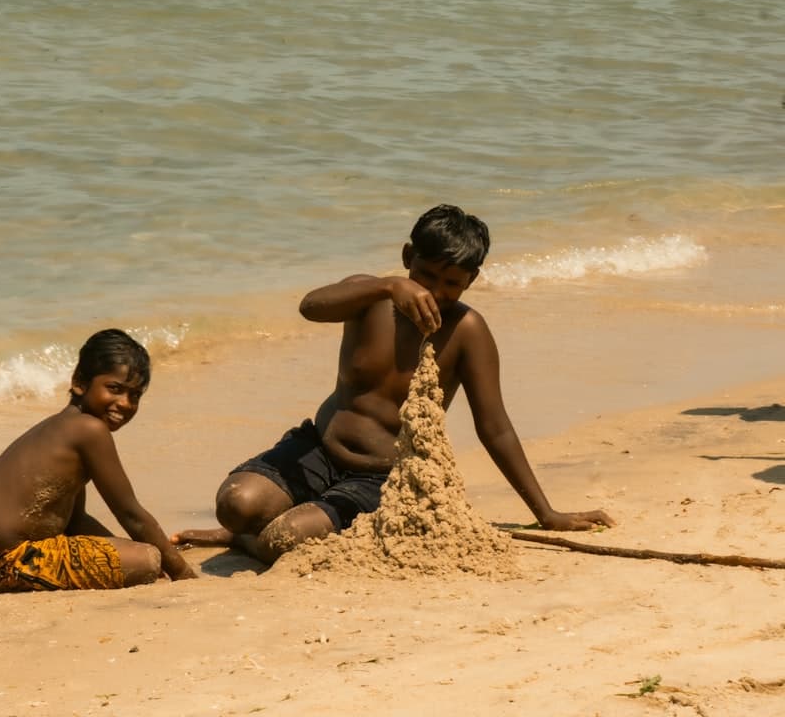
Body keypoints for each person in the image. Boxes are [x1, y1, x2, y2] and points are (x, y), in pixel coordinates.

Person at [173, 204, 615, 565]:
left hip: (381, 478)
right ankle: (245, 526)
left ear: (471, 282)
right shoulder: (368, 297)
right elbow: (310, 306)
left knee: (282, 540)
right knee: (235, 503)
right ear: (407, 258)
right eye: (426, 276)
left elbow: (495, 427)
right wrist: (387, 287)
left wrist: (545, 513)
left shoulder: (467, 331)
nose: (436, 293)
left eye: (452, 285)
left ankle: (247, 540)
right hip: (318, 450)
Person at [0, 328, 196, 592]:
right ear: (80, 382)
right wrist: (182, 574)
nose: (125, 403)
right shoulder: (90, 430)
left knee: (137, 554)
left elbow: (76, 520)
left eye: (135, 395)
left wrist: (120, 549)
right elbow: (131, 514)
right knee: (148, 560)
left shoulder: (66, 426)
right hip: (12, 563)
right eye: (114, 389)